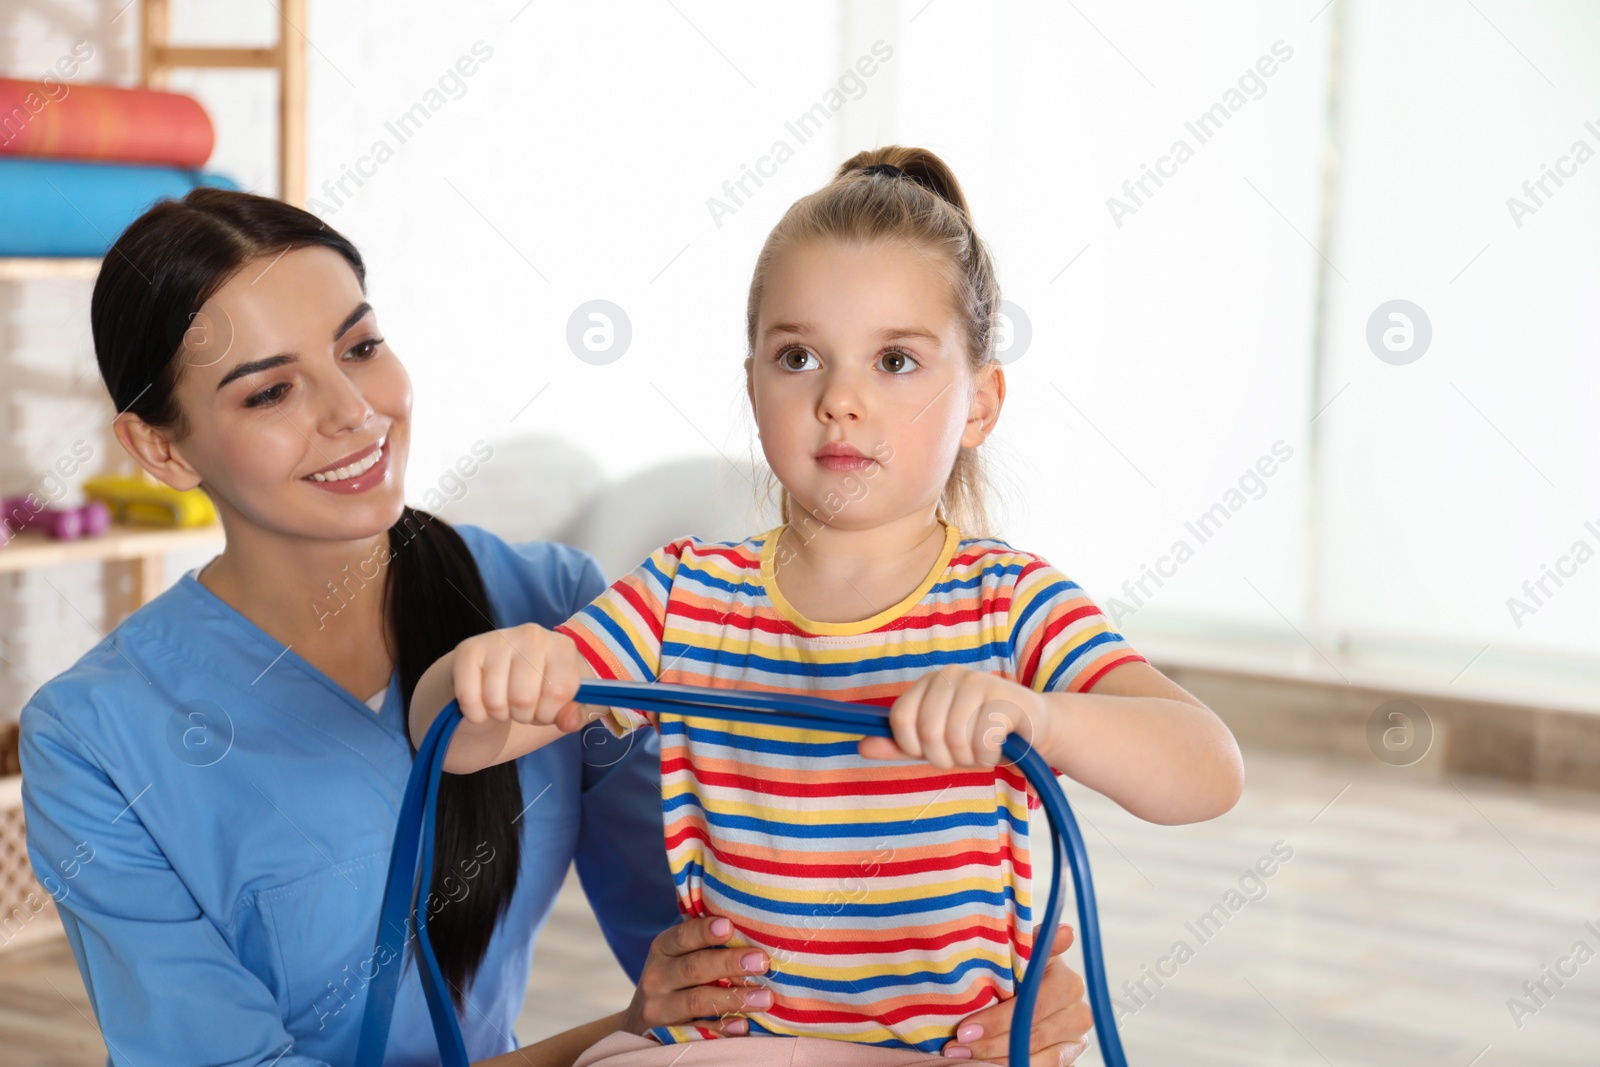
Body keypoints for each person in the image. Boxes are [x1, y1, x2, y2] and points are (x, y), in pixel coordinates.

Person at [20, 187, 1093, 1066]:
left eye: (362, 346)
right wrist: (607, 1035)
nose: (353, 411)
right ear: (161, 449)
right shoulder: (95, 737)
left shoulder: (547, 605)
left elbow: (753, 911)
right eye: (270, 392)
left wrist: (990, 969)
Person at [409, 148, 1246, 1064]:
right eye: (799, 356)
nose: (840, 399)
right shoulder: (684, 595)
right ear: (753, 384)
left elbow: (1209, 769)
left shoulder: (1010, 604)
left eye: (896, 360)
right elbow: (447, 736)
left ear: (981, 402)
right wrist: (489, 671)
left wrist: (1040, 717)